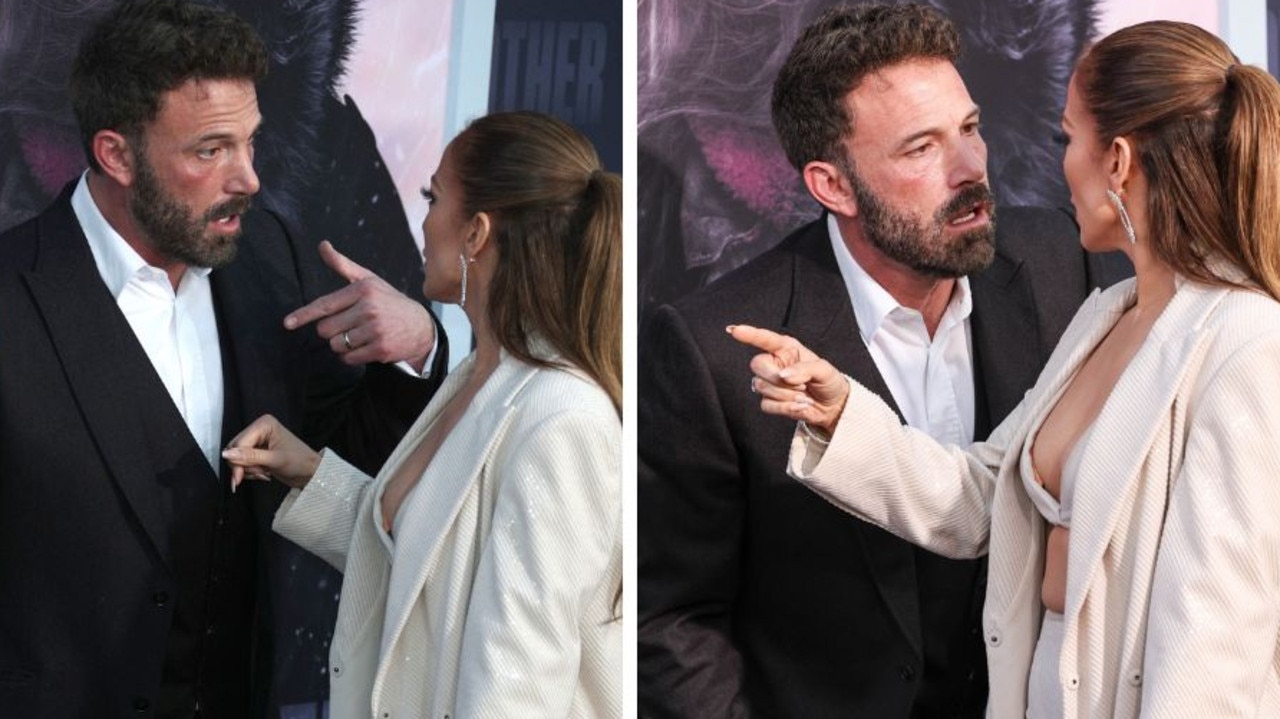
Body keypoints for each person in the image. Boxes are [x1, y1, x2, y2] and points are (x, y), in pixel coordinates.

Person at [735, 19, 1280, 719]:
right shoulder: (1109, 313)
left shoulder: (1246, 345)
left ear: (1116, 161)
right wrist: (844, 413)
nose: (985, 167)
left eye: (1068, 139)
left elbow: (1215, 651)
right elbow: (993, 496)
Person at [638, 4, 1132, 718]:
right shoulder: (715, 346)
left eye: (970, 129)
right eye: (920, 148)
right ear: (831, 184)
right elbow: (672, 620)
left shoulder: (1065, 265)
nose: (970, 170)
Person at [0, 1, 446, 717]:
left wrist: (415, 350)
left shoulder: (273, 257)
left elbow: (353, 465)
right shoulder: (13, 297)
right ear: (116, 154)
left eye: (251, 143)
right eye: (210, 151)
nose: (250, 179)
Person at [222, 110, 623, 719]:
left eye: (434, 197)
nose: (424, 218)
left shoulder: (561, 420)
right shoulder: (478, 377)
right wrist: (307, 470)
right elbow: (424, 555)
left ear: (475, 234)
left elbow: (516, 686)